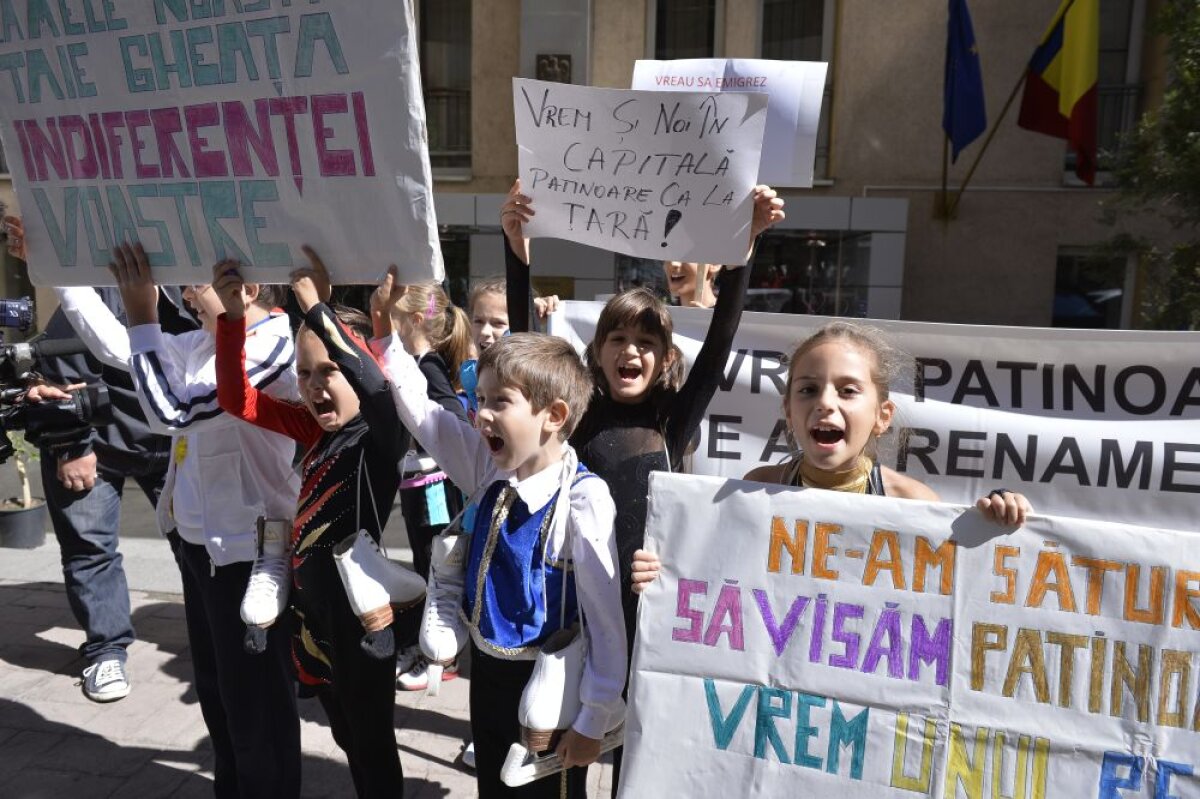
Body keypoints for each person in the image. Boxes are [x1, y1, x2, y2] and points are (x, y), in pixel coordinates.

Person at [501, 182, 785, 791]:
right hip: (574, 605)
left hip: (649, 606)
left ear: (662, 357)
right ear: (597, 353)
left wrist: (747, 243)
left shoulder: (671, 418)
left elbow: (720, 340)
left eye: (647, 342)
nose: (632, 351)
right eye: (619, 340)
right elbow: (525, 347)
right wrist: (517, 248)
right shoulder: (572, 415)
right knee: (566, 760)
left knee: (638, 760)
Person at [94, 241, 302, 798]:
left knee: (254, 702)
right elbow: (123, 349)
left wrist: (141, 313)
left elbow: (173, 412)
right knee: (219, 694)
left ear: (248, 287)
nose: (182, 295)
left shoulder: (279, 343)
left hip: (251, 557)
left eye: (193, 283)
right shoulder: (201, 342)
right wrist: (67, 282)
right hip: (199, 549)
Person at [384, 331, 626, 799]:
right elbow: (428, 418)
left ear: (553, 416)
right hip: (489, 678)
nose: (482, 415)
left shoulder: (583, 499)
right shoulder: (491, 469)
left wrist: (593, 718)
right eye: (479, 399)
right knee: (495, 788)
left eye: (500, 401)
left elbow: (604, 622)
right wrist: (386, 342)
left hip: (550, 688)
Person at [214, 253, 414, 798]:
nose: (314, 386)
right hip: (314, 620)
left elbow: (374, 388)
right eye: (303, 373)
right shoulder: (314, 430)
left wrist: (315, 307)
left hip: (362, 622)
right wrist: (230, 318)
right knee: (347, 734)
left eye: (330, 370)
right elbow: (238, 399)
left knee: (373, 747)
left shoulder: (381, 437)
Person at [630, 320, 1034, 587]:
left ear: (882, 415)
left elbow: (957, 601)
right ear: (788, 410)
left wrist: (997, 525)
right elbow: (709, 577)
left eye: (848, 390)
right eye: (807, 389)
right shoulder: (755, 491)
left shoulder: (914, 504)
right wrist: (662, 573)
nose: (825, 403)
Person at [5, 216, 199, 703]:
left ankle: (213, 637)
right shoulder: (100, 292)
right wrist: (72, 447)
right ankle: (106, 649)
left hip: (176, 445)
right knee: (90, 550)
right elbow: (59, 373)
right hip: (98, 444)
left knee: (202, 547)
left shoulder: (205, 300)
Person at [371, 274, 472, 692]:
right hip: (419, 483)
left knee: (435, 564)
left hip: (432, 485)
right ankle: (428, 650)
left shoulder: (427, 365)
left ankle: (439, 658)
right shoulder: (424, 362)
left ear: (412, 319)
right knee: (425, 559)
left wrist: (429, 438)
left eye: (393, 319)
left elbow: (448, 413)